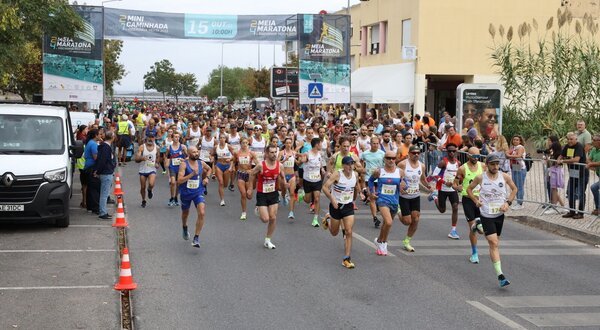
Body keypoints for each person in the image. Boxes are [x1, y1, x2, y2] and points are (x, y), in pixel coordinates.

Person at [467, 154, 517, 287]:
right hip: (486, 214)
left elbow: (514, 189)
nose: (495, 167)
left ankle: (477, 227)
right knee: (493, 242)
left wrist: (508, 203)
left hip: (499, 215)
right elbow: (469, 189)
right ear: (487, 164)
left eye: (497, 164)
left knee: (495, 243)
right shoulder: (480, 177)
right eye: (492, 164)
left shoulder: (504, 176)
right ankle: (500, 275)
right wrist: (476, 201)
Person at [247, 144, 287, 249]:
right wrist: (250, 188)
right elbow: (252, 174)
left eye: (275, 152)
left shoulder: (280, 166)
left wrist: (285, 185)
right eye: (272, 152)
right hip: (262, 194)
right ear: (267, 153)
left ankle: (267, 240)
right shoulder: (261, 165)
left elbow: (282, 177)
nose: (274, 154)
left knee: (273, 217)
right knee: (265, 219)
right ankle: (258, 208)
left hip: (273, 193)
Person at [322, 156, 359, 269]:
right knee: (334, 233)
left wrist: (355, 198)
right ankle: (328, 219)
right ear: (343, 165)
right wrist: (332, 199)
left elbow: (355, 187)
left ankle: (346, 258)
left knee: (348, 231)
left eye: (352, 164)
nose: (350, 166)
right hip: (336, 206)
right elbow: (325, 187)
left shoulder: (355, 175)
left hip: (348, 206)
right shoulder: (337, 174)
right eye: (347, 164)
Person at [397, 145, 434, 252]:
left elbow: (422, 179)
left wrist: (428, 186)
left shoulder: (421, 166)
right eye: (414, 153)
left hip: (415, 196)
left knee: (416, 219)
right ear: (409, 154)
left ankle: (407, 241)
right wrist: (400, 185)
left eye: (418, 153)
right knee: (407, 221)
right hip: (403, 196)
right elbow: (395, 176)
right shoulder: (403, 164)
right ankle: (398, 210)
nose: (416, 154)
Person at [453, 147, 486, 264]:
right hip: (468, 200)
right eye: (474, 156)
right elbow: (454, 184)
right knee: (474, 228)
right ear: (468, 155)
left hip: (481, 200)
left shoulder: (483, 166)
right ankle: (474, 253)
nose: (476, 158)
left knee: (481, 230)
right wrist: (457, 187)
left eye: (478, 156)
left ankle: (478, 223)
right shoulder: (462, 168)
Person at [369, 150, 403, 256]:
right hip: (382, 200)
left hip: (394, 200)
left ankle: (380, 240)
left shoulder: (400, 172)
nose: (391, 160)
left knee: (386, 224)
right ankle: (384, 243)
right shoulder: (379, 171)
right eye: (388, 158)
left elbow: (403, 183)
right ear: (384, 159)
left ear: (395, 159)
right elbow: (370, 181)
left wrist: (404, 186)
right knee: (388, 222)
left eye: (393, 158)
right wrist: (372, 192)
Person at [177, 146, 211, 248]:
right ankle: (184, 227)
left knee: (202, 212)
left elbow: (209, 169)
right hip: (186, 193)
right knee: (185, 213)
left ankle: (196, 238)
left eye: (197, 151)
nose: (196, 153)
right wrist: (191, 174)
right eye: (194, 152)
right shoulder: (184, 165)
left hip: (198, 192)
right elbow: (179, 180)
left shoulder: (201, 163)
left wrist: (207, 178)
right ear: (189, 154)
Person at [430, 143, 461, 239]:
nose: (452, 153)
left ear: (456, 152)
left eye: (453, 151)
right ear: (447, 152)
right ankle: (435, 197)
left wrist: (459, 184)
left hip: (452, 189)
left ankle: (453, 230)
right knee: (442, 210)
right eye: (450, 151)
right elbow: (434, 175)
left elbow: (459, 176)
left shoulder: (458, 163)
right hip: (442, 189)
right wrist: (444, 182)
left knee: (455, 207)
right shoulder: (443, 162)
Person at [558, 132, 589, 219]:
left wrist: (563, 161)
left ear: (576, 139)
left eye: (571, 139)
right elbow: (561, 155)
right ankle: (572, 211)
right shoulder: (567, 146)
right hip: (572, 173)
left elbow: (576, 159)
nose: (569, 141)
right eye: (568, 139)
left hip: (582, 173)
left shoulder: (579, 146)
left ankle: (580, 213)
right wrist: (559, 159)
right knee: (570, 192)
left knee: (580, 193)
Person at [298, 138, 325, 227]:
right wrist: (302, 159)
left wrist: (322, 169)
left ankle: (315, 219)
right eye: (320, 144)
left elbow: (320, 164)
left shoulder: (320, 154)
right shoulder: (308, 154)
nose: (321, 146)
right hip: (308, 180)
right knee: (307, 200)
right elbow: (301, 162)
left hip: (317, 180)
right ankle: (302, 195)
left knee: (317, 199)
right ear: (317, 145)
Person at [360, 136, 385, 228]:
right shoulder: (365, 153)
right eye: (373, 143)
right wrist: (363, 170)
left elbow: (385, 164)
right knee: (372, 197)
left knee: (378, 197)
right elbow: (361, 162)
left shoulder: (382, 153)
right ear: (370, 144)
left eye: (377, 143)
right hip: (369, 178)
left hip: (380, 178)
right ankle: (375, 217)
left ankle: (378, 210)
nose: (375, 145)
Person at [94, 131, 116, 220]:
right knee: (104, 194)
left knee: (104, 193)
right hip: (106, 173)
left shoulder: (104, 147)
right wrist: (98, 171)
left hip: (106, 172)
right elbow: (102, 161)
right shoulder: (106, 148)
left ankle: (103, 211)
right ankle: (103, 212)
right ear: (112, 137)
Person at [234, 137, 256, 220]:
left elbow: (257, 164)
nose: (245, 144)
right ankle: (243, 212)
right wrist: (232, 167)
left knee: (249, 196)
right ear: (240, 144)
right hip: (240, 174)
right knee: (243, 194)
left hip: (249, 175)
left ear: (248, 144)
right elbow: (233, 161)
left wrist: (253, 170)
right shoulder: (237, 153)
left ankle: (251, 195)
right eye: (243, 143)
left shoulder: (251, 153)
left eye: (246, 143)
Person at [135, 135, 159, 208]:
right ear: (146, 138)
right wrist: (142, 158)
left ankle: (149, 190)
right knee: (142, 187)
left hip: (152, 169)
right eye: (149, 137)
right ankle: (143, 200)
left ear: (154, 138)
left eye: (152, 137)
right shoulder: (142, 147)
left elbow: (158, 157)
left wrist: (157, 163)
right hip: (143, 169)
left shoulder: (157, 148)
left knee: (151, 184)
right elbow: (136, 159)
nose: (150, 139)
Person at [506, 135, 526, 209]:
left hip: (520, 167)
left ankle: (520, 203)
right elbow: (506, 154)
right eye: (514, 139)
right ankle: (518, 200)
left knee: (519, 185)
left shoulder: (520, 147)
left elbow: (518, 155)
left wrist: (509, 155)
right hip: (514, 166)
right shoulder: (513, 148)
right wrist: (509, 155)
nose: (515, 141)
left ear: (520, 141)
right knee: (515, 185)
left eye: (517, 140)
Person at [167, 132, 187, 206]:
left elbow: (188, 157)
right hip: (172, 167)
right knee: (172, 182)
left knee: (178, 184)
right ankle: (171, 198)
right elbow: (168, 157)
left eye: (178, 137)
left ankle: (175, 197)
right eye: (175, 137)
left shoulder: (183, 147)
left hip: (180, 168)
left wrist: (183, 160)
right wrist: (167, 166)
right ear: (172, 138)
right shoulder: (169, 148)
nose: (177, 138)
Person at [279, 138, 298, 219]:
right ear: (284, 144)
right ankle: (283, 197)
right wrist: (284, 159)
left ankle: (291, 212)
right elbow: (277, 162)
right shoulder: (281, 153)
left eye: (290, 143)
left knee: (292, 194)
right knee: (283, 191)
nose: (288, 144)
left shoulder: (294, 153)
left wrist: (302, 160)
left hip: (291, 175)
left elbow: (297, 162)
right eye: (287, 143)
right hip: (283, 175)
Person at [83, 129, 101, 214]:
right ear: (95, 135)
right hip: (92, 167)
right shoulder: (93, 144)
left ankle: (90, 206)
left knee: (90, 188)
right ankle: (95, 207)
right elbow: (95, 157)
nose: (100, 136)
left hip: (87, 166)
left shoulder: (89, 142)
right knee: (95, 188)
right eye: (99, 134)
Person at [215, 133, 234, 206]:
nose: (222, 139)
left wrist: (231, 165)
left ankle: (227, 186)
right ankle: (222, 200)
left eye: (223, 138)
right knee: (220, 182)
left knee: (225, 184)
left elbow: (234, 156)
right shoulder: (216, 147)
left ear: (225, 139)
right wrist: (211, 157)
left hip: (227, 166)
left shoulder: (228, 146)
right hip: (219, 165)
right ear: (219, 139)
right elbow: (212, 154)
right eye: (221, 138)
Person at [588, 134, 600, 216]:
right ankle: (598, 208)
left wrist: (591, 164)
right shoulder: (594, 149)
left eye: (594, 140)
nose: (592, 141)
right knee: (594, 187)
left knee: (594, 187)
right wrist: (590, 164)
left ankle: (598, 208)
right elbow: (588, 159)